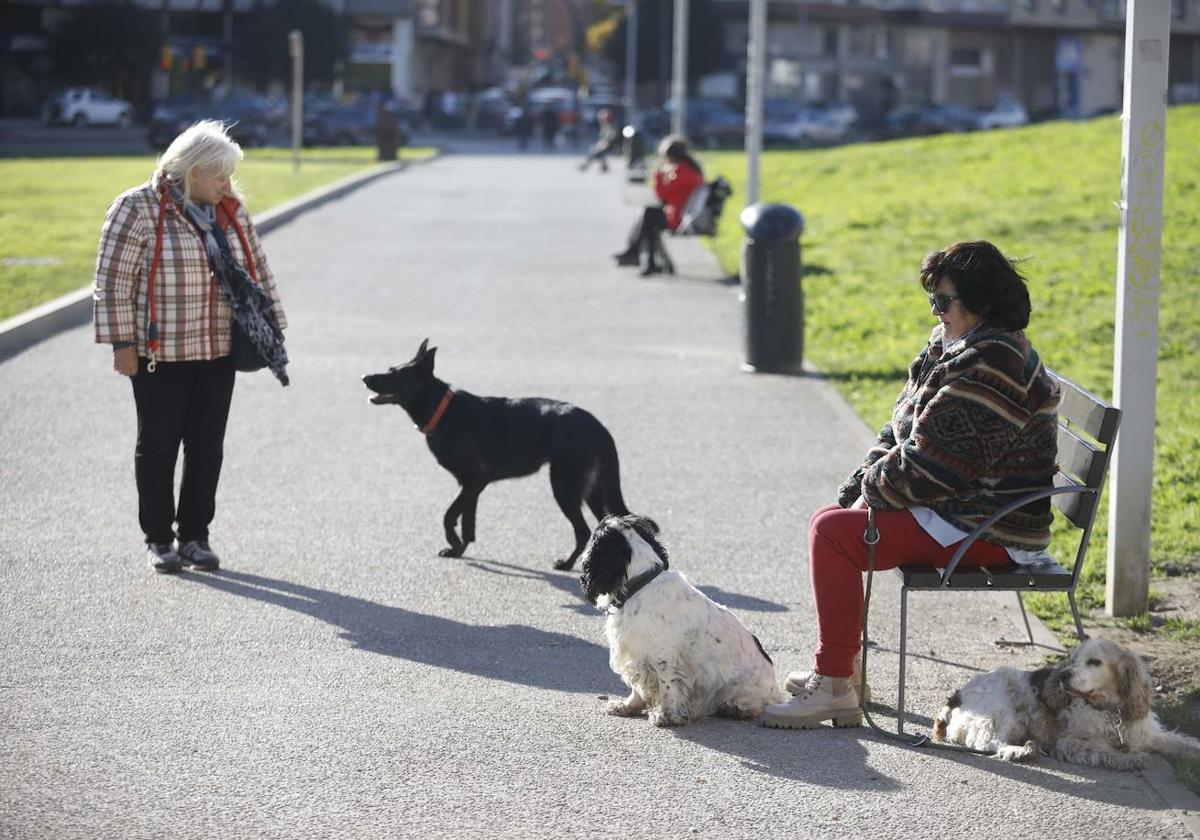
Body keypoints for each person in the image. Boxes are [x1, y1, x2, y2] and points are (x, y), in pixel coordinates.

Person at [760, 240, 1061, 729]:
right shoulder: (959, 350)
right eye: (933, 300)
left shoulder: (991, 367)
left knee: (833, 535)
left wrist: (869, 493)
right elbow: (899, 429)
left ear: (979, 303)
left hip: (989, 528)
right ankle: (845, 675)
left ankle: (835, 684)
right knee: (830, 521)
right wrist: (860, 485)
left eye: (944, 301)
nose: (936, 311)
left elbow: (933, 468)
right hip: (959, 509)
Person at [93, 120, 287, 574]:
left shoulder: (231, 211)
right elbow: (111, 283)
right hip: (160, 355)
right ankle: (158, 539)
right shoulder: (135, 208)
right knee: (158, 446)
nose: (228, 183)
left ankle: (195, 537)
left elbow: (259, 271)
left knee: (207, 447)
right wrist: (122, 344)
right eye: (219, 175)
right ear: (192, 171)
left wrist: (274, 329)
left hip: (218, 350)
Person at [612, 134, 704, 276]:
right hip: (682, 214)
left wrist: (658, 175)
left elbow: (662, 195)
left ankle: (641, 257)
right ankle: (640, 256)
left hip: (679, 218)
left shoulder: (681, 172)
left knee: (649, 217)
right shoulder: (690, 170)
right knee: (649, 215)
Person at [577, 108, 620, 173]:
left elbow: (611, 138)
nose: (601, 120)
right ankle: (604, 166)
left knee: (595, 151)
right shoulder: (604, 125)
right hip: (605, 144)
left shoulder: (612, 126)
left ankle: (586, 166)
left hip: (611, 145)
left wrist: (604, 144)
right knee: (596, 150)